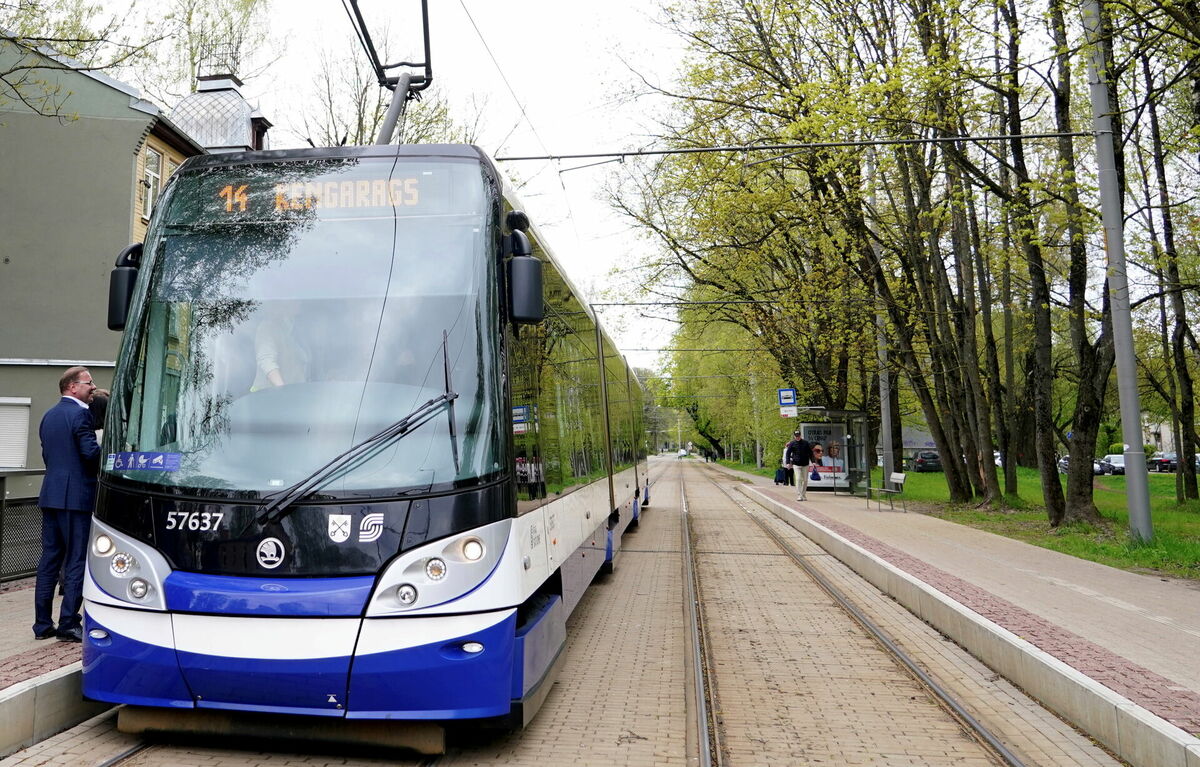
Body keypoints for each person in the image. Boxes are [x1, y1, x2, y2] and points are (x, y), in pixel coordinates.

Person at [33, 366, 101, 642]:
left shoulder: (49, 416)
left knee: (49, 560)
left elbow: (49, 455)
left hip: (50, 495)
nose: (93, 387)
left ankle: (41, 625)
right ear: (72, 387)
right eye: (88, 383)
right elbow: (89, 454)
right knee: (76, 560)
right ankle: (69, 622)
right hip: (77, 499)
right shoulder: (81, 414)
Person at [784, 430, 813, 501]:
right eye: (796, 436)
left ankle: (803, 494)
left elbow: (810, 453)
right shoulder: (792, 443)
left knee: (805, 480)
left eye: (798, 436)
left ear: (800, 435)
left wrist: (813, 462)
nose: (797, 437)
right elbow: (788, 453)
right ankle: (799, 495)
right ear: (794, 436)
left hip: (805, 464)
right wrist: (788, 463)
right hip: (796, 464)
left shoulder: (806, 443)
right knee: (798, 479)